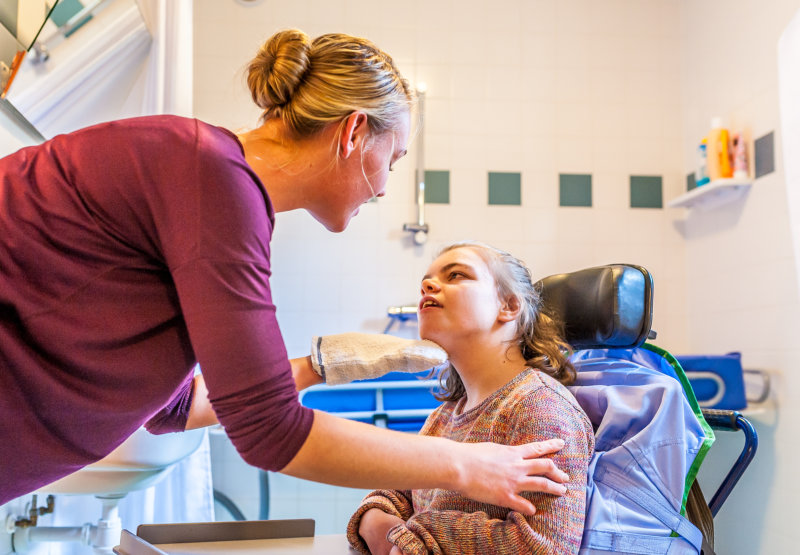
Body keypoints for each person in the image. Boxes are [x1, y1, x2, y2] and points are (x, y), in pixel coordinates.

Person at [0, 30, 570, 509]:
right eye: (392, 159)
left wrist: (321, 365)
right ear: (352, 133)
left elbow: (169, 408)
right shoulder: (211, 182)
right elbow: (269, 431)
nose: (386, 185)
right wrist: (468, 466)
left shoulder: (212, 179)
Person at [347, 242, 595, 555]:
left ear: (508, 306)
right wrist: (375, 520)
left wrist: (417, 536)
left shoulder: (539, 408)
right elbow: (398, 493)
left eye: (457, 275)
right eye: (427, 280)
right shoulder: (446, 415)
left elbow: (541, 547)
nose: (427, 285)